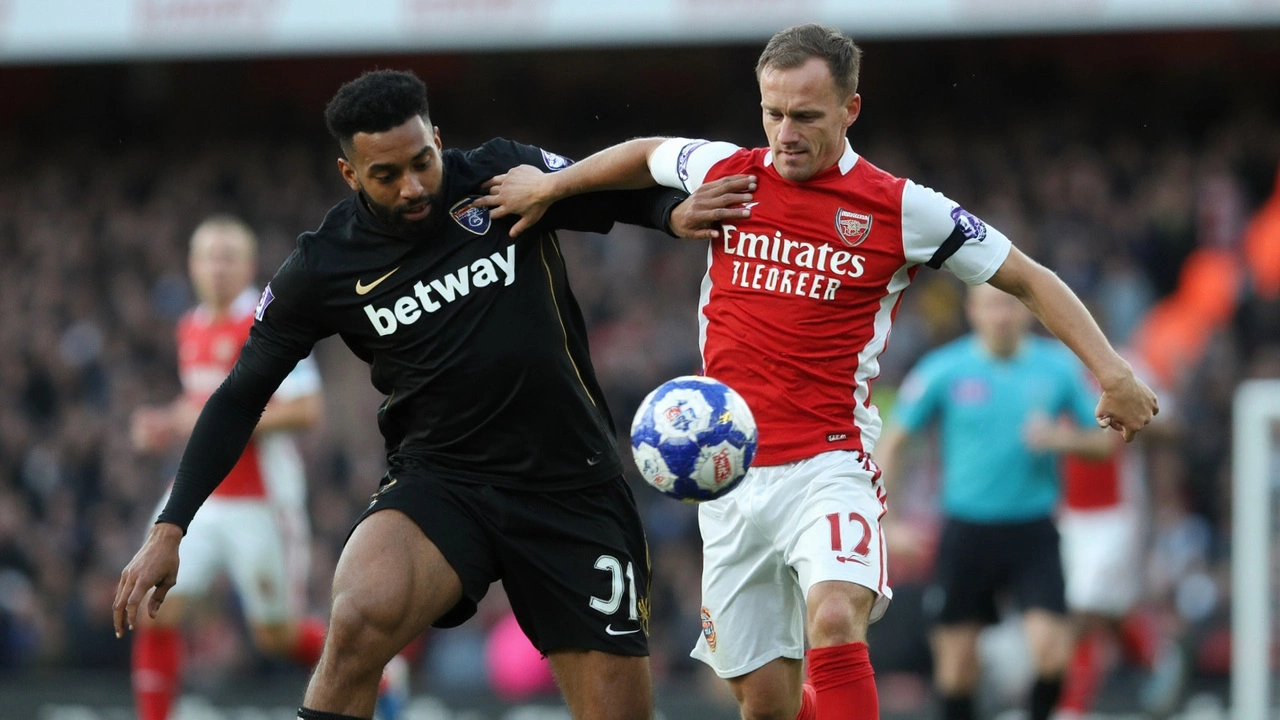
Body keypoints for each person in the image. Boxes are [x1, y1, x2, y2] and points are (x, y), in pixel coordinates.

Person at [473, 23, 1158, 720]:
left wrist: (1112, 371)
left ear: (849, 110)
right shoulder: (724, 170)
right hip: (729, 474)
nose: (785, 133)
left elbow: (1027, 277)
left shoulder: (900, 207)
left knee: (833, 617)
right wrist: (552, 188)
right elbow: (646, 153)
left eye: (805, 116)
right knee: (764, 702)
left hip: (829, 465)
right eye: (772, 114)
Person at [112, 69, 747, 720]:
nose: (414, 186)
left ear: (437, 138)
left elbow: (604, 191)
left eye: (423, 161)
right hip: (444, 482)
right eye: (387, 175)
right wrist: (170, 526)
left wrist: (668, 213)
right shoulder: (323, 266)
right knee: (358, 617)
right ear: (349, 174)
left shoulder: (500, 176)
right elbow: (241, 393)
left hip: (572, 487)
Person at [128, 216, 408, 720]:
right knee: (153, 604)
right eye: (208, 257)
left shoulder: (267, 320)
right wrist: (167, 422)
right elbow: (201, 403)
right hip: (204, 498)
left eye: (228, 257)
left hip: (262, 502)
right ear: (192, 266)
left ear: (248, 266)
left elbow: (306, 409)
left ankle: (381, 674)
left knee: (274, 633)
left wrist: (223, 421)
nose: (217, 268)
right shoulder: (190, 324)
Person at [874, 284, 1117, 720]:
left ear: (1025, 310)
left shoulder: (1058, 368)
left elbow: (1105, 443)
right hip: (966, 530)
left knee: (1051, 655)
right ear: (973, 310)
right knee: (956, 669)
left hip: (1033, 530)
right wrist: (887, 520)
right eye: (990, 306)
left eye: (1008, 304)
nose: (1000, 315)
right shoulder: (944, 369)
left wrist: (1062, 438)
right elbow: (894, 442)